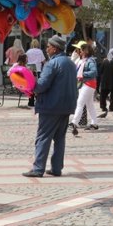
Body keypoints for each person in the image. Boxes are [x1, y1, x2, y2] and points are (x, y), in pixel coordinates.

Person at [23, 34, 77, 177]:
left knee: (43, 137)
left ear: (55, 48)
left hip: (51, 106)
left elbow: (41, 85)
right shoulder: (70, 63)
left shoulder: (52, 64)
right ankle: (56, 168)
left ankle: (38, 168)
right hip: (66, 106)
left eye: (48, 47)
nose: (46, 49)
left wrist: (30, 82)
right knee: (59, 138)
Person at [70, 41, 100, 132]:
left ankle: (74, 122)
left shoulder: (90, 60)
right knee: (89, 104)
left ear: (86, 51)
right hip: (86, 84)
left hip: (88, 84)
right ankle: (94, 123)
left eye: (81, 50)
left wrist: (82, 74)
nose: (80, 51)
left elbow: (94, 72)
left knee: (80, 103)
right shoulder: (83, 60)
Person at [98, 48, 113, 113]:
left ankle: (103, 106)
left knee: (103, 94)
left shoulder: (104, 61)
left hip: (105, 81)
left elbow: (100, 71)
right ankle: (112, 107)